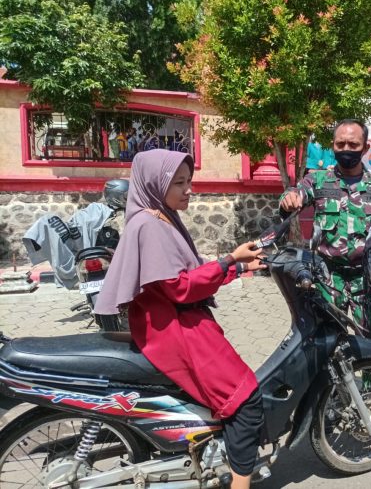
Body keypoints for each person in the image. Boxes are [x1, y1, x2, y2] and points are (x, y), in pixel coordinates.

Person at [95, 149, 265, 489]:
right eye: (179, 183)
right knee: (245, 399)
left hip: (179, 320)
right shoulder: (150, 224)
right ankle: (241, 483)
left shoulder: (161, 216)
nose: (189, 190)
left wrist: (239, 267)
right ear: (156, 183)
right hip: (176, 328)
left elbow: (189, 270)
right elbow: (180, 287)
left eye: (190, 182)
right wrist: (230, 258)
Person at [279, 119, 371, 345]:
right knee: (327, 344)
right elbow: (296, 194)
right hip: (328, 280)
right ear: (332, 145)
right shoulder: (318, 180)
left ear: (365, 148)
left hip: (368, 282)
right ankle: (334, 382)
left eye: (353, 145)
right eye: (340, 144)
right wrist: (289, 198)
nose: (346, 150)